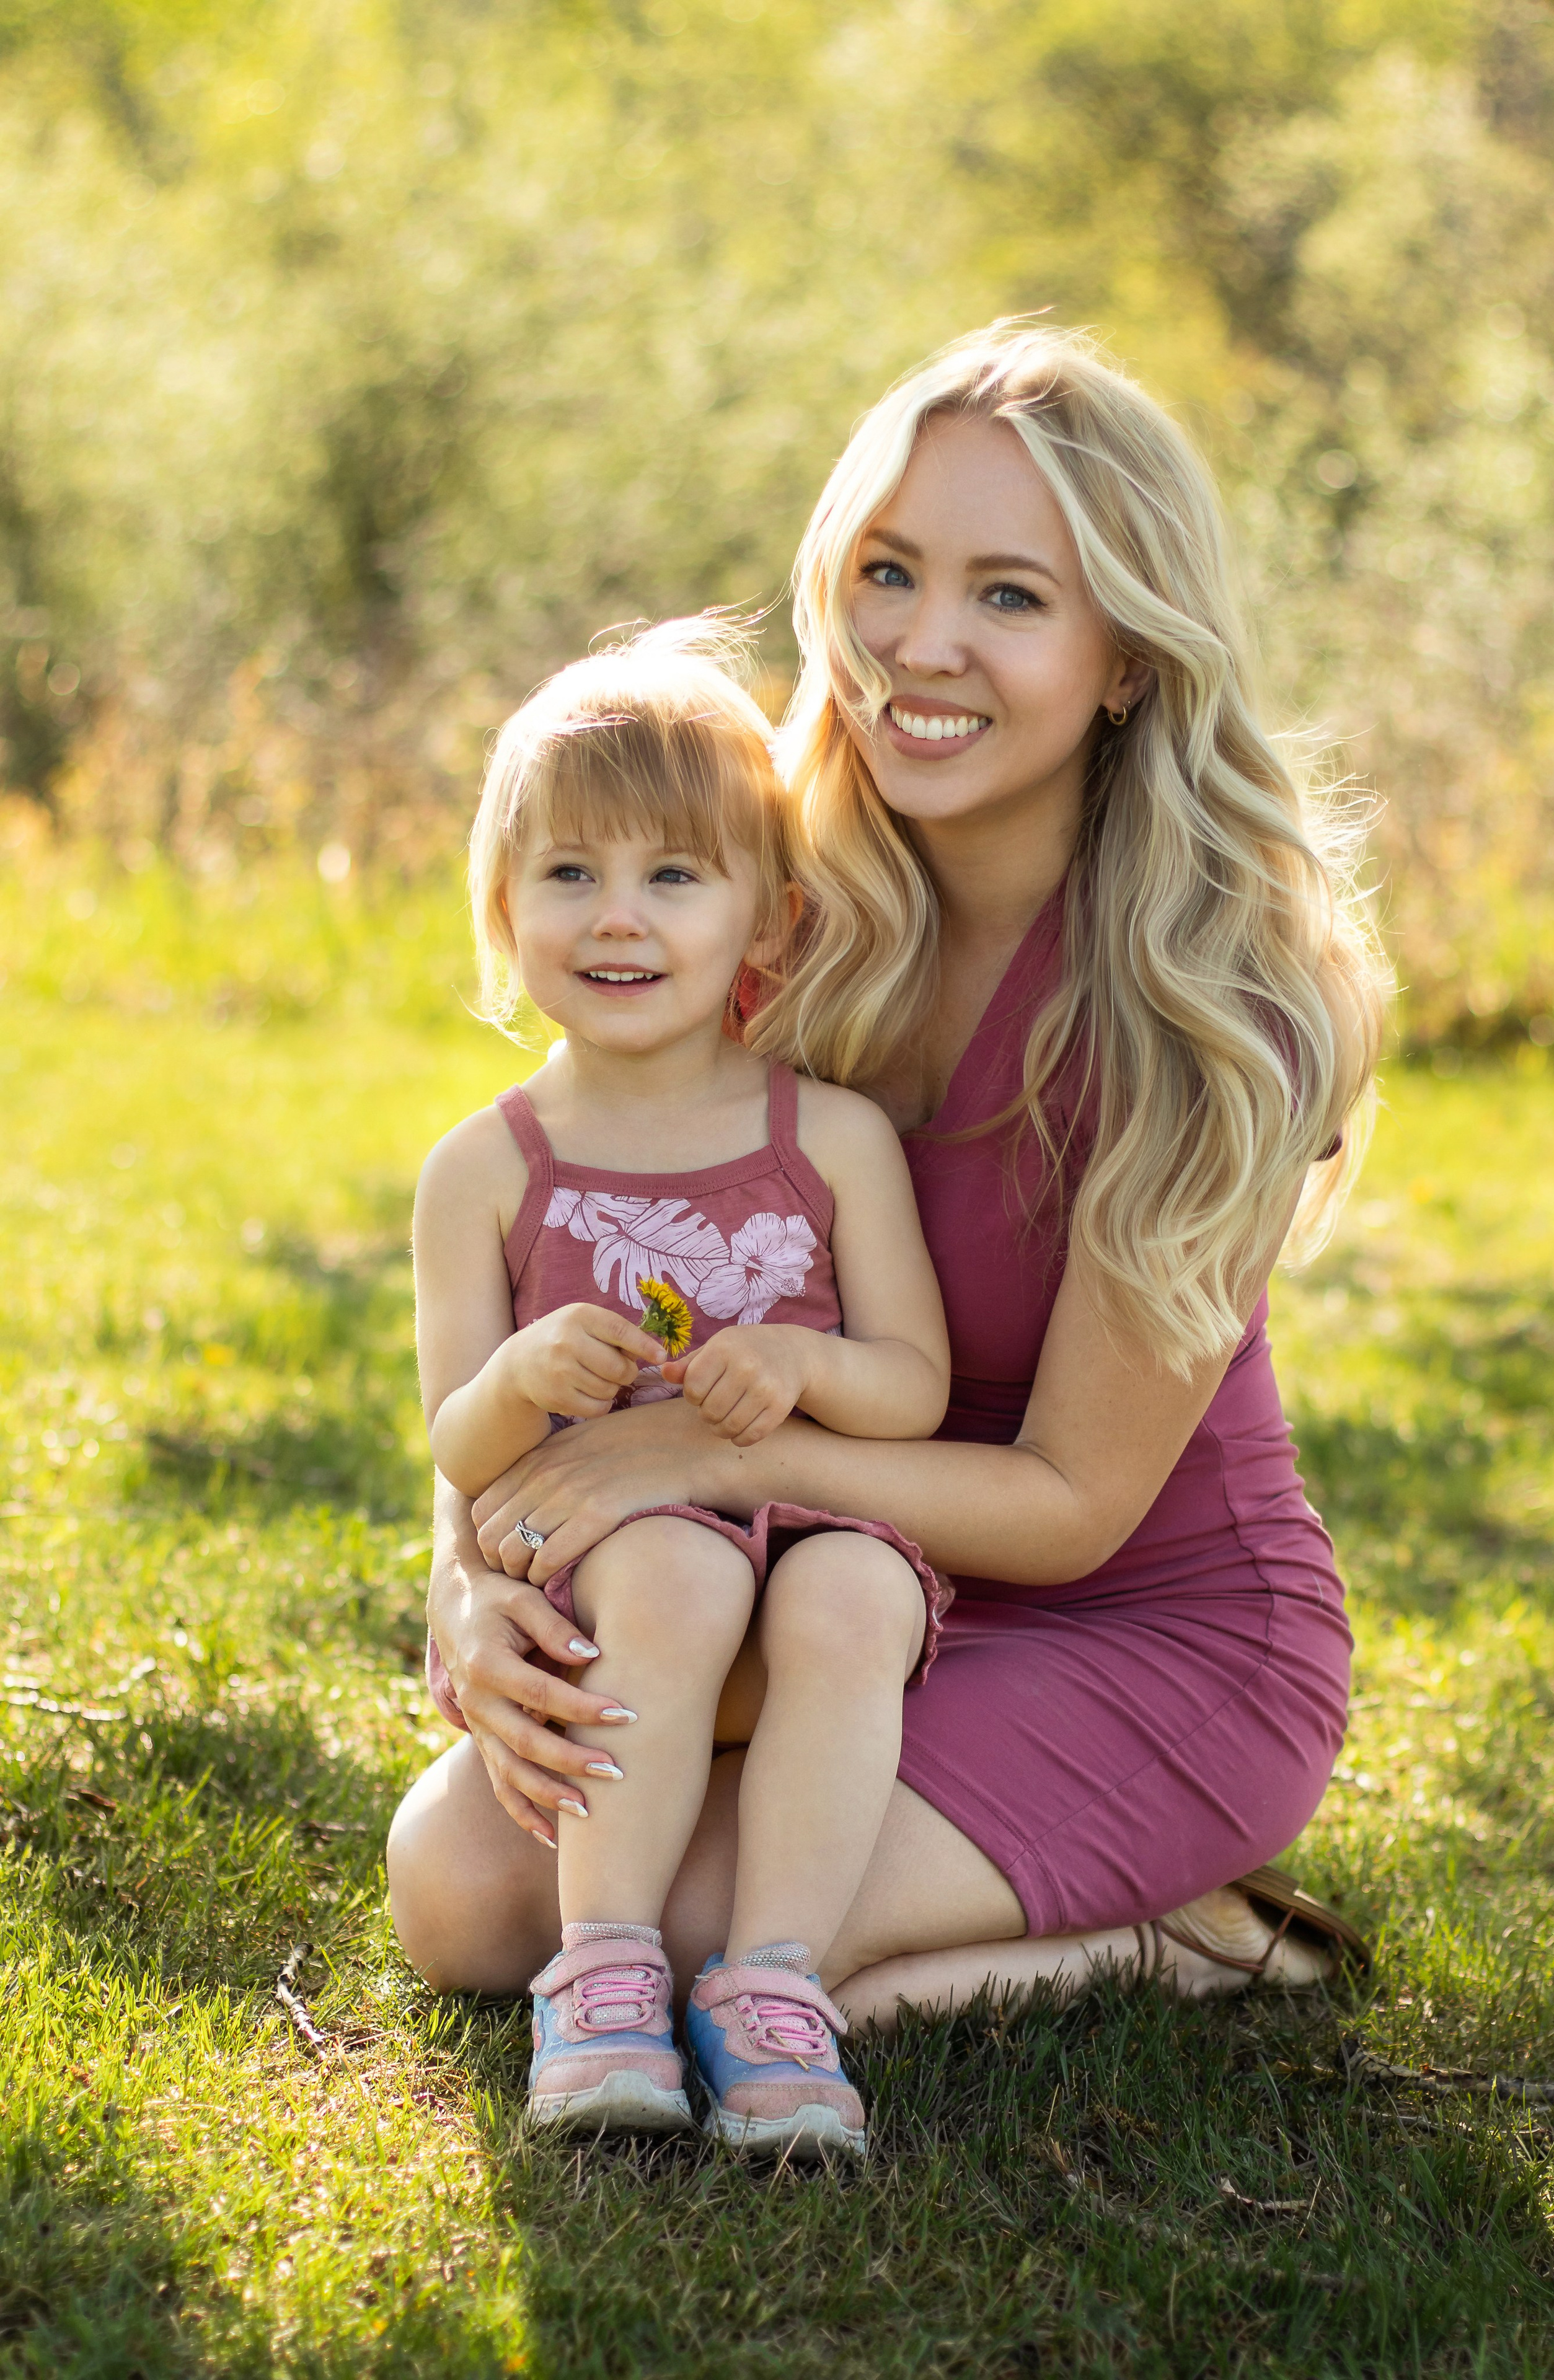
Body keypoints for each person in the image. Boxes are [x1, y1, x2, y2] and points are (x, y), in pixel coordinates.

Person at [389, 320, 1385, 2050]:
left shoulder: (1222, 1008)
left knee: (692, 1925)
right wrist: (473, 1580)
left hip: (1144, 1625)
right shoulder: (773, 921)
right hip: (811, 1576)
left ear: (1130, 657)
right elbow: (552, 1322)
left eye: (1012, 595)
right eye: (889, 574)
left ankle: (1194, 1934)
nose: (924, 645)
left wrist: (721, 1453)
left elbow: (1073, 1502)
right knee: (465, 1888)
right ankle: (880, 1943)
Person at [411, 619, 955, 2156]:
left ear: (762, 918)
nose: (616, 916)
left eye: (672, 875)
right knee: (661, 1560)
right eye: (568, 873)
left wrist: (794, 1363)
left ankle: (773, 1987)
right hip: (624, 1570)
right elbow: (458, 1440)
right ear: (501, 908)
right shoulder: (485, 1171)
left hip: (812, 1524)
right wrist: (525, 1373)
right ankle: (604, 1972)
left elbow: (909, 1386)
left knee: (858, 1597)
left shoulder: (832, 1138)